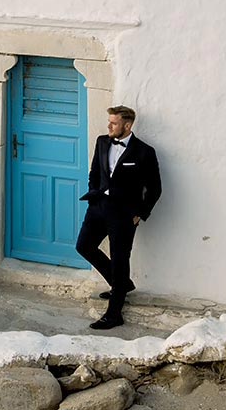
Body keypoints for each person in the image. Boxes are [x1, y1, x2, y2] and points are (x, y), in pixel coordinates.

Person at [76, 105, 162, 329]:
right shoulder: (102, 142)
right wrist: (94, 193)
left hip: (124, 214)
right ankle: (121, 284)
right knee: (84, 246)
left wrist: (140, 213)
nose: (109, 126)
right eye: (109, 122)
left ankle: (114, 314)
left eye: (114, 123)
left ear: (127, 125)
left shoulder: (144, 152)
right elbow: (95, 172)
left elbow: (155, 188)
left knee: (120, 259)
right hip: (98, 207)